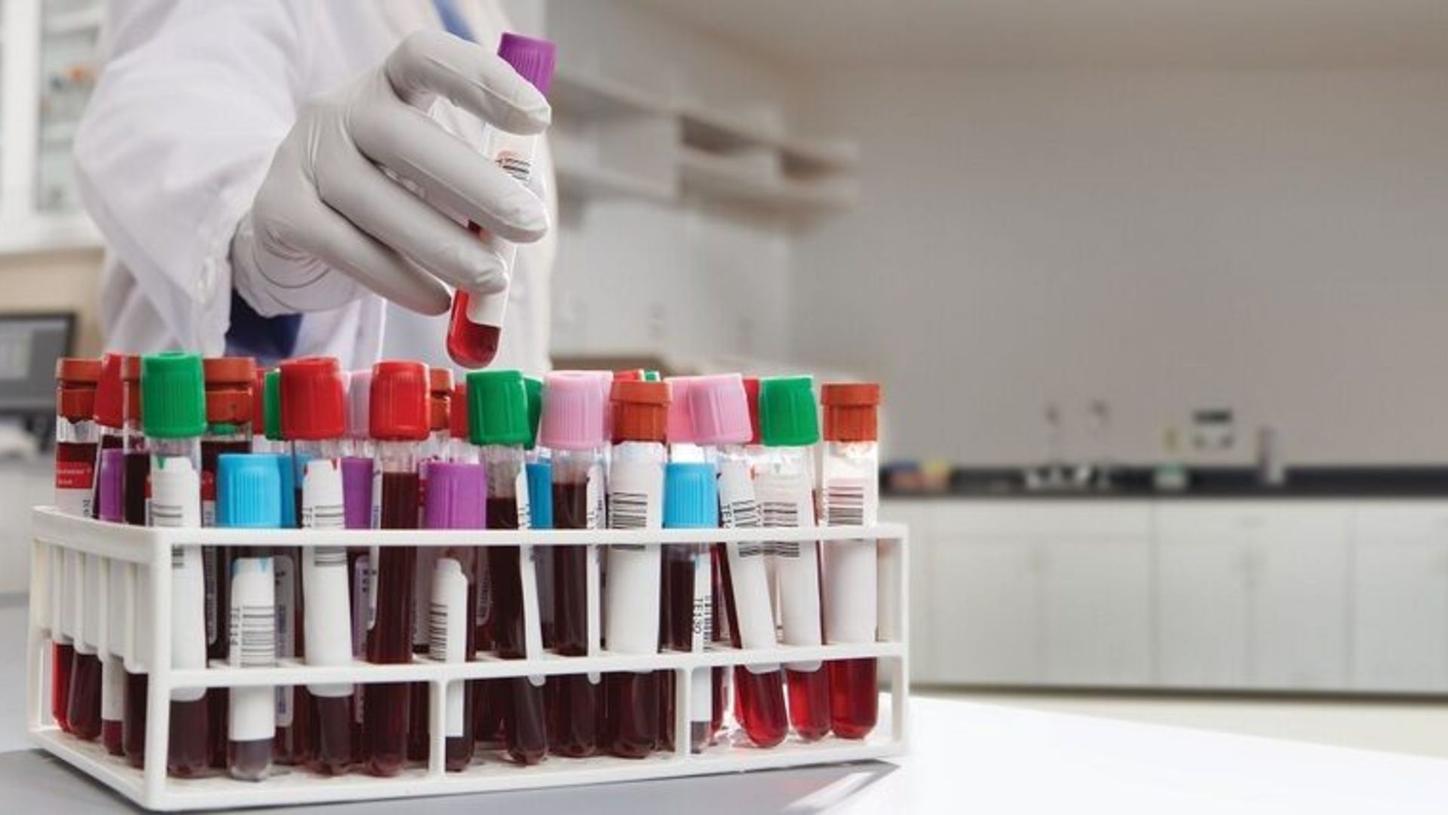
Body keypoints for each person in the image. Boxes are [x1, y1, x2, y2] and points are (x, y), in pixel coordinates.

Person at [74, 1, 557, 373]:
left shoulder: (484, 13)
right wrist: (251, 228)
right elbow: (164, 100)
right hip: (242, 464)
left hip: (471, 477)